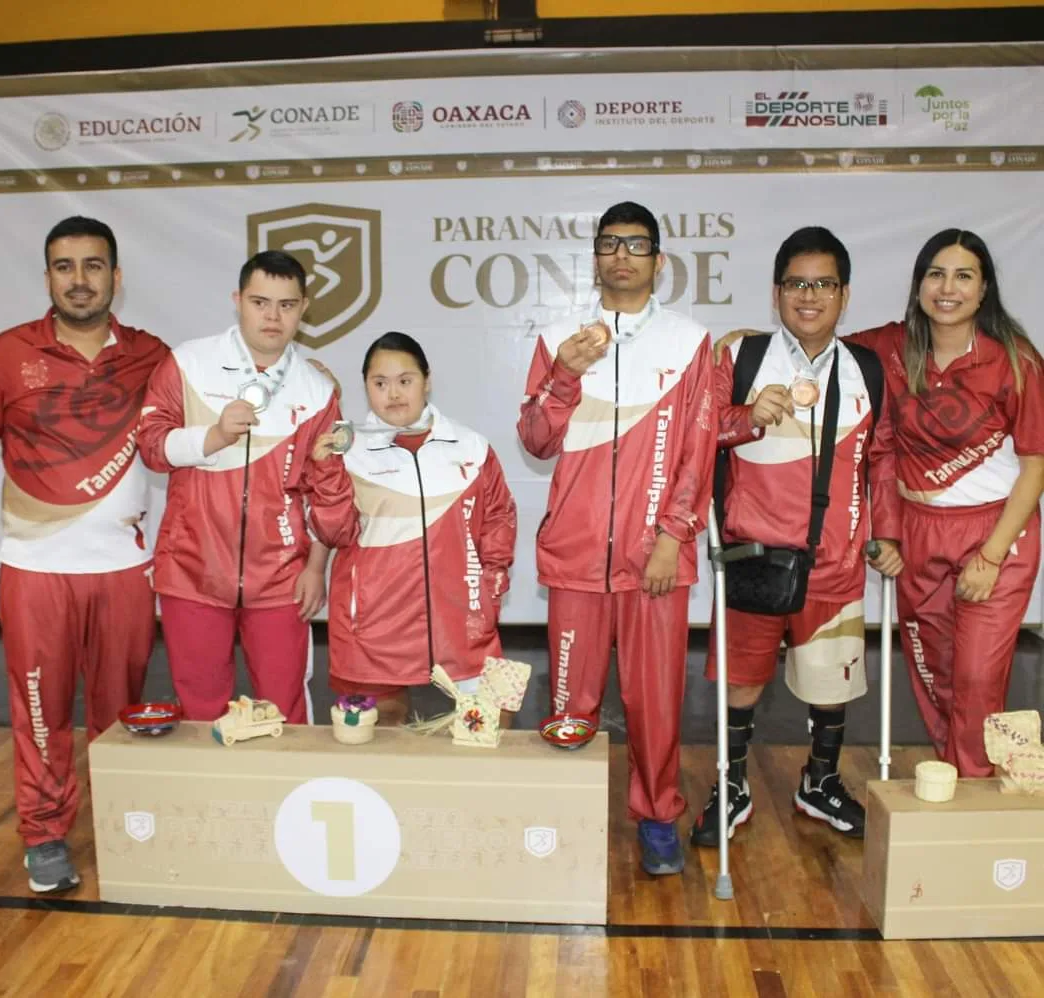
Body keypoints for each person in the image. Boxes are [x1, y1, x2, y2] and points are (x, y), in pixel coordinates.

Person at [0, 216, 168, 893]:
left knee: (119, 710)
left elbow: (198, 424)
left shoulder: (152, 356)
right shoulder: (5, 352)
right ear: (47, 275)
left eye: (92, 265)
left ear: (116, 275)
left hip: (123, 572)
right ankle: (45, 835)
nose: (79, 279)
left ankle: (118, 821)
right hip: (35, 567)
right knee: (40, 711)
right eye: (64, 266)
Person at [517, 201, 716, 876]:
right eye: (609, 243)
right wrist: (563, 375)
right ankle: (568, 812)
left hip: (656, 559)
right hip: (576, 556)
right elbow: (536, 440)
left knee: (654, 701)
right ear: (595, 257)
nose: (622, 255)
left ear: (659, 262)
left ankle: (659, 815)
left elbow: (698, 449)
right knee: (572, 697)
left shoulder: (691, 342)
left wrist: (672, 536)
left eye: (636, 244)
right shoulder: (559, 338)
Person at [691, 227, 902, 848]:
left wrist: (886, 532)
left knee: (830, 685)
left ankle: (820, 780)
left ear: (844, 294)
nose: (809, 296)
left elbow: (883, 459)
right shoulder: (742, 360)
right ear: (776, 291)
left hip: (835, 563)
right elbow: (696, 439)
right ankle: (730, 784)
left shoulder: (867, 367)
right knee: (743, 681)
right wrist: (742, 418)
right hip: (752, 558)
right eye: (796, 283)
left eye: (823, 284)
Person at [846, 229, 1044, 777]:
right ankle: (959, 780)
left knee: (978, 676)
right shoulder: (889, 347)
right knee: (934, 674)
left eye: (963, 276)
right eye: (936, 274)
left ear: (984, 291)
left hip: (996, 532)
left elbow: (1036, 464)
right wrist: (745, 340)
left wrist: (992, 556)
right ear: (918, 285)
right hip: (919, 531)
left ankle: (974, 798)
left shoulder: (1015, 360)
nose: (947, 287)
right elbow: (819, 345)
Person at [137, 250, 358, 725]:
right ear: (237, 301)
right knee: (199, 711)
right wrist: (213, 437)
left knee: (285, 713)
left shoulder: (317, 390)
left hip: (281, 578)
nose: (273, 316)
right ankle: (204, 802)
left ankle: (284, 801)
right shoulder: (188, 362)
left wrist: (317, 567)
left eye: (286, 304)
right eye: (260, 302)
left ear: (304, 308)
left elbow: (325, 492)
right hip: (192, 569)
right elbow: (151, 446)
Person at [319, 332, 517, 726]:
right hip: (376, 623)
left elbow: (498, 521)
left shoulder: (471, 447)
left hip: (462, 619)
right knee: (383, 732)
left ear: (427, 380)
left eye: (405, 380)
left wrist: (489, 590)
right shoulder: (347, 450)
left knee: (494, 722)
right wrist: (325, 474)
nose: (393, 393)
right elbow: (333, 533)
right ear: (366, 387)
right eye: (380, 383)